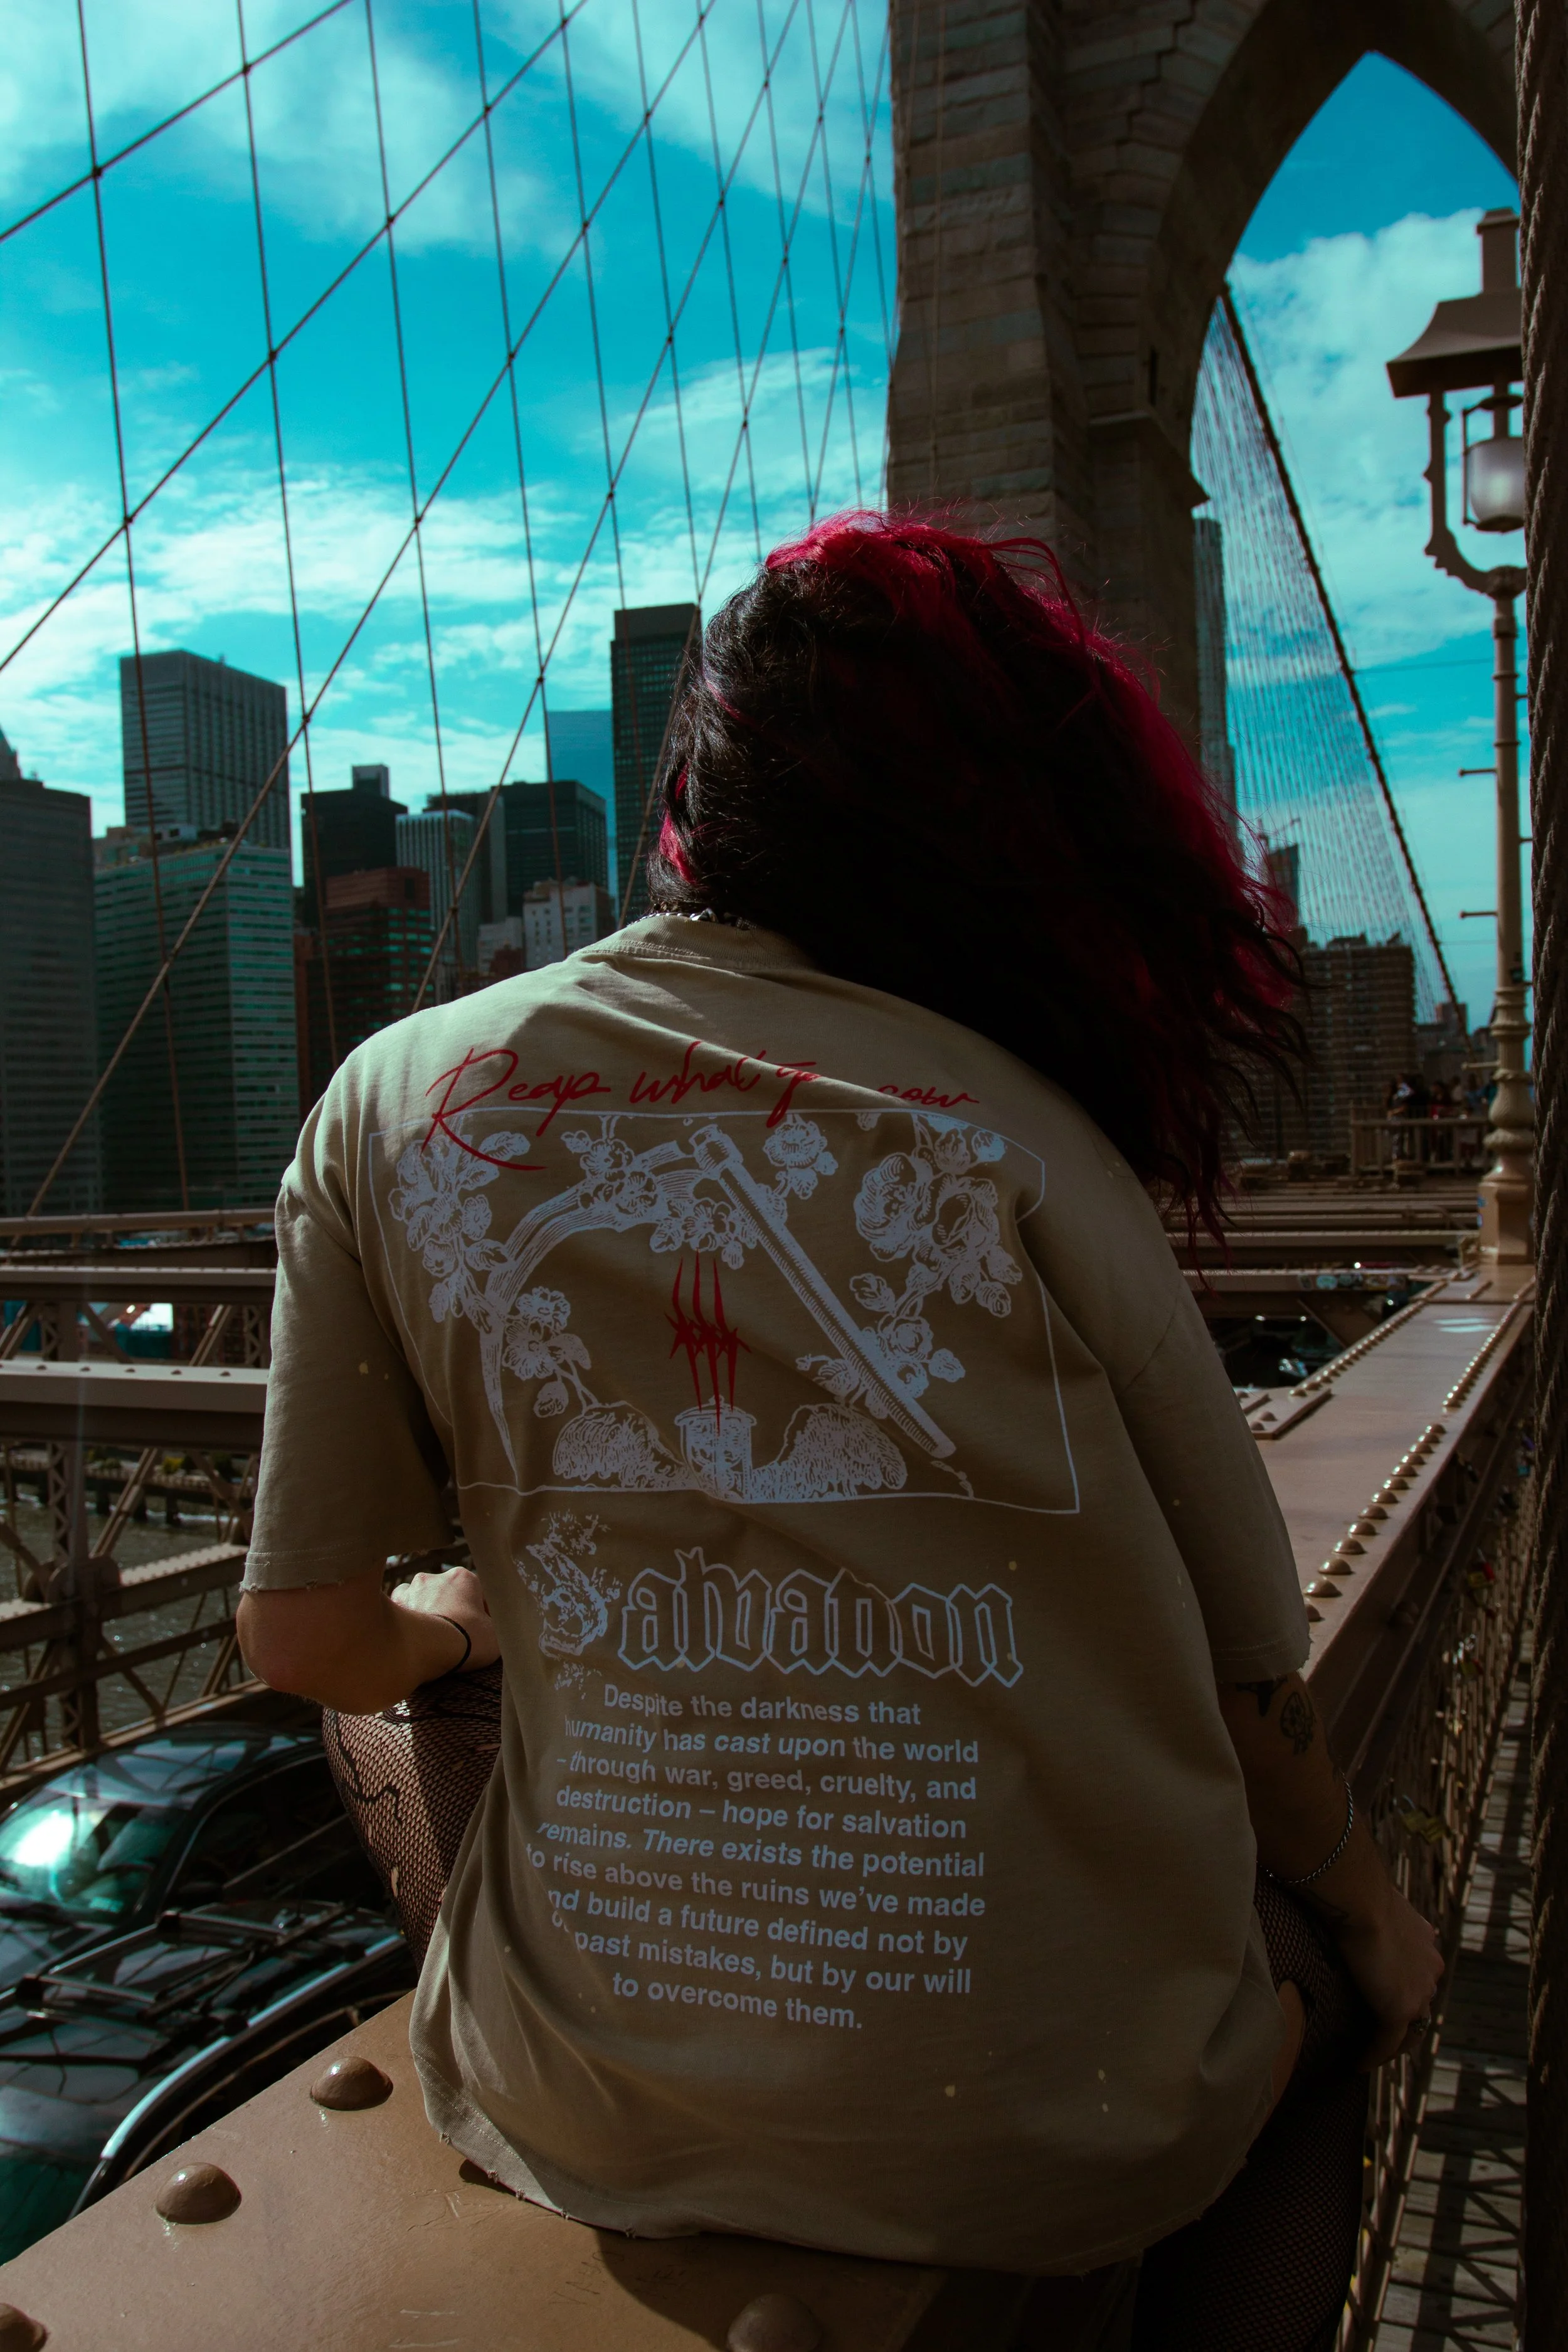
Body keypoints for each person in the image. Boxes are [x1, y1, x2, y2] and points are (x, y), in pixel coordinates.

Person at [238, 517, 1441, 2352]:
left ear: (686, 810)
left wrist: (463, 1620)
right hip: (1064, 2137)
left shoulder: (393, 1098)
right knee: (1322, 2019)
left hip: (588, 2123)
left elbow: (307, 1636)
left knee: (418, 1677)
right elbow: (1245, 1694)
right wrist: (1371, 1920)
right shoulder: (1027, 1128)